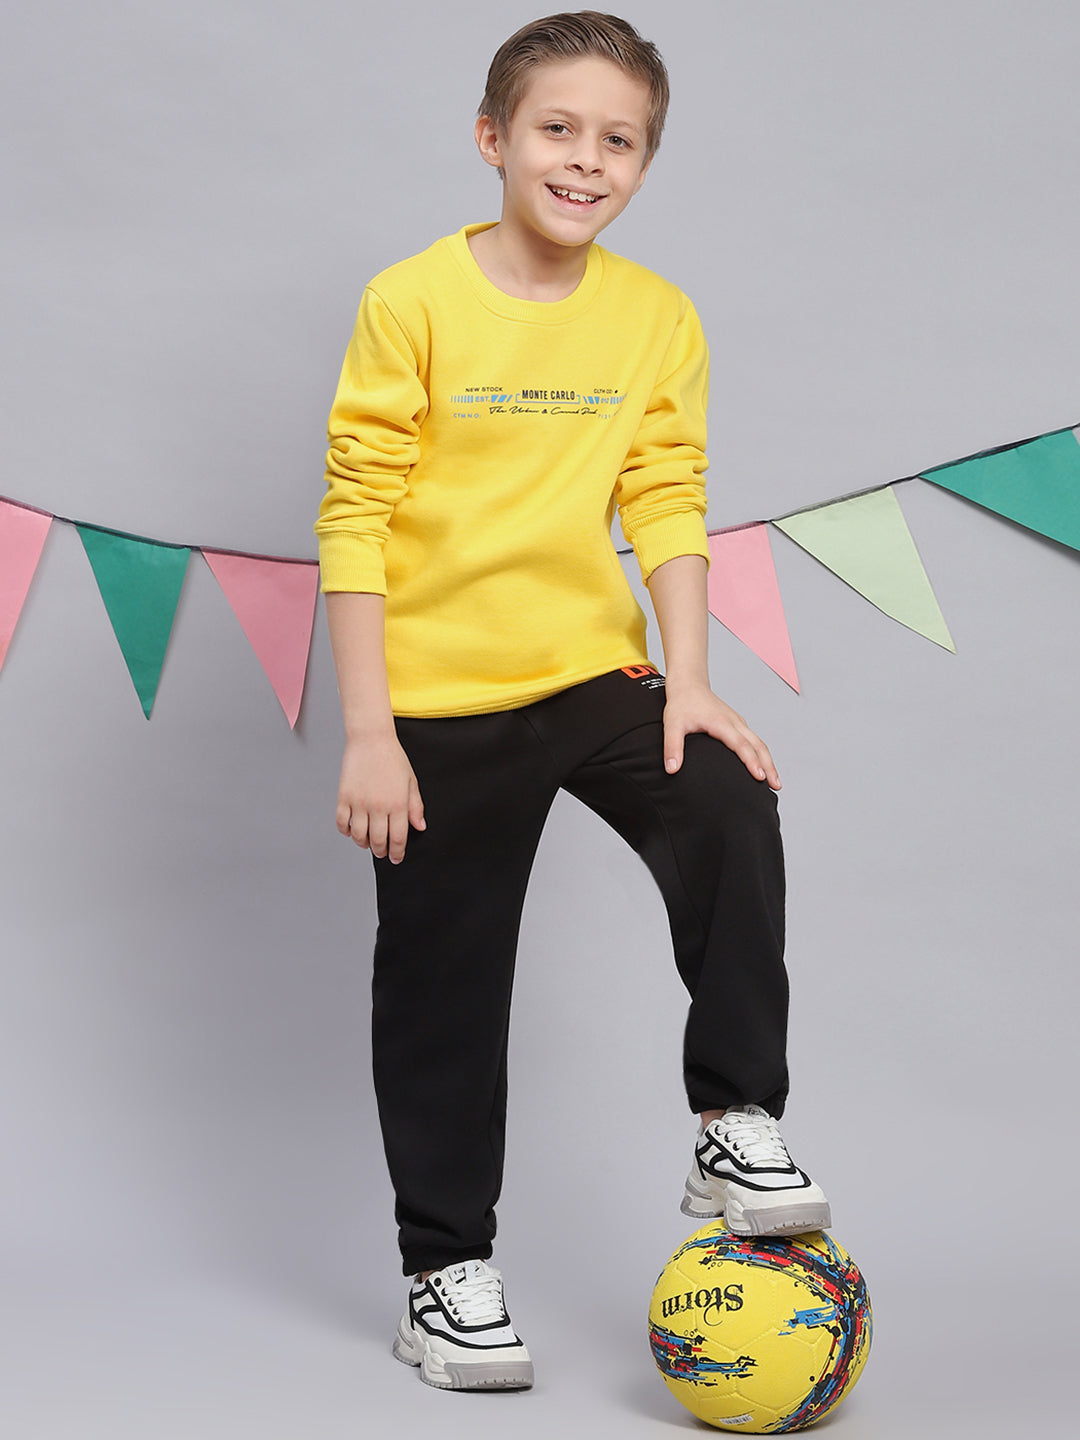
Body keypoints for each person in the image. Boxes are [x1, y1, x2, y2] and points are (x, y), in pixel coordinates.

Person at [315, 10, 830, 1394]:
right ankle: (444, 1273)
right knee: (446, 981)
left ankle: (734, 1118)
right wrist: (369, 731)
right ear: (494, 139)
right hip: (437, 701)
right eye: (558, 128)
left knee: (728, 800)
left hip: (592, 674)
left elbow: (664, 496)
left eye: (620, 140)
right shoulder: (412, 300)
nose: (586, 159)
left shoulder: (657, 316)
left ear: (645, 165)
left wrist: (691, 681)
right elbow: (355, 516)